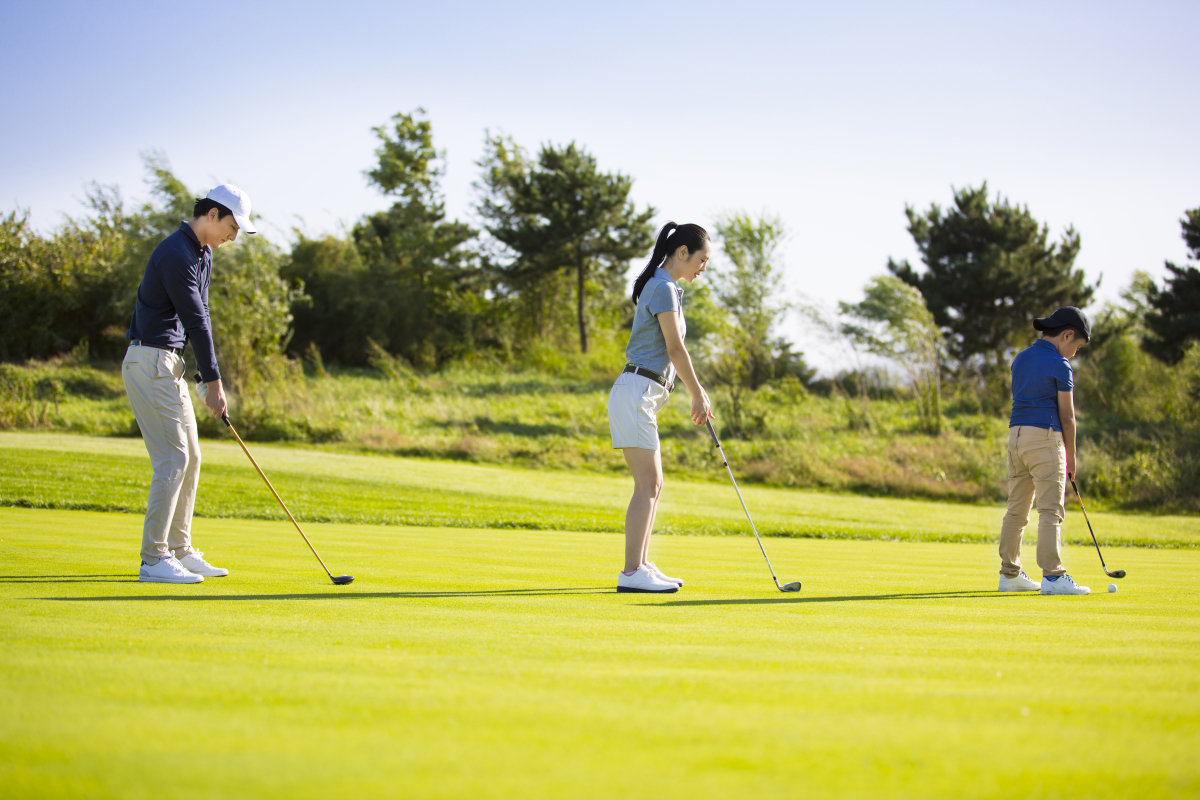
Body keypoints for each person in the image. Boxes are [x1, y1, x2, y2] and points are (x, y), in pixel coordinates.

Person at [122, 184, 256, 584]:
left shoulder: (202, 253)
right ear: (212, 215)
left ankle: (179, 550)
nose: (233, 236)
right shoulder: (176, 253)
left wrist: (200, 374)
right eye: (232, 227)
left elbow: (202, 315)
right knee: (173, 459)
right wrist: (214, 382)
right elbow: (195, 319)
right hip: (149, 361)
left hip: (171, 364)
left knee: (192, 457)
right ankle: (153, 559)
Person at [608, 222, 713, 593]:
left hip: (641, 394)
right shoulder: (664, 287)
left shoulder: (663, 286)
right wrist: (697, 393)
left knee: (654, 485)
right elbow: (674, 349)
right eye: (701, 260)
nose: (703, 268)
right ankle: (632, 572)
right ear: (682, 252)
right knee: (648, 485)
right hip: (637, 393)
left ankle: (641, 566)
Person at [997, 306, 1093, 595]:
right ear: (1067, 335)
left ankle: (1009, 573)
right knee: (1050, 510)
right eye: (1076, 345)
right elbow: (1067, 417)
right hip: (1045, 439)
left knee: (1017, 509)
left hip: (1016, 437)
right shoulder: (1060, 365)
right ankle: (1053, 576)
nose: (1074, 352)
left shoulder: (1021, 359)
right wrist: (1072, 457)